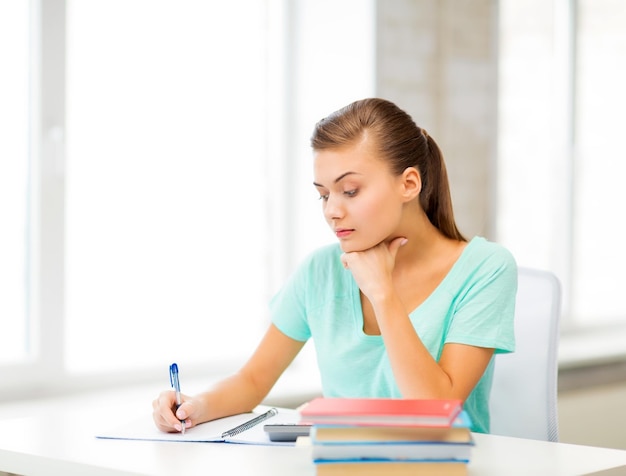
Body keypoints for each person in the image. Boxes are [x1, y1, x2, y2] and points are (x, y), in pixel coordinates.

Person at [152, 97, 516, 434]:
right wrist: (195, 406)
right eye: (323, 194)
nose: (331, 211)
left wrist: (382, 293)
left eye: (351, 191)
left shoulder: (485, 269)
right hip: (343, 463)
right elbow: (252, 381)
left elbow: (436, 409)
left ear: (409, 184)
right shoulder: (320, 271)